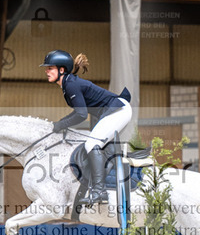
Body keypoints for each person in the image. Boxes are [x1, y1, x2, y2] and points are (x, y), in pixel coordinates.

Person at [41, 50, 132, 205]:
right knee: (100, 146)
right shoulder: (68, 83)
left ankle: (99, 192)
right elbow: (80, 111)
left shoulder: (70, 84)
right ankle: (106, 186)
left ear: (61, 69)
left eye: (50, 68)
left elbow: (81, 114)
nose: (46, 71)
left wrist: (60, 124)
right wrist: (60, 124)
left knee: (91, 144)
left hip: (118, 110)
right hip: (115, 111)